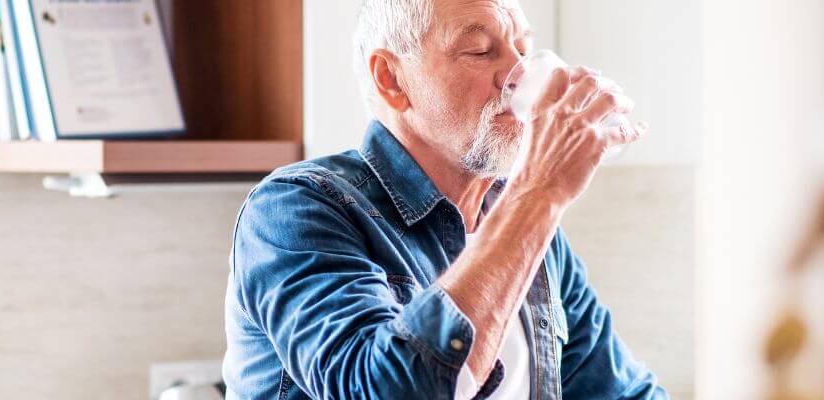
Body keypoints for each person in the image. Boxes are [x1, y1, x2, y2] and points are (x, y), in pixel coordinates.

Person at [223, 0, 666, 398]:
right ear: (391, 79)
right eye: (479, 50)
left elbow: (620, 391)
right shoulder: (296, 209)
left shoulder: (532, 230)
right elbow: (380, 390)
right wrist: (538, 192)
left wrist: (534, 202)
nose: (518, 75)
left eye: (522, 50)